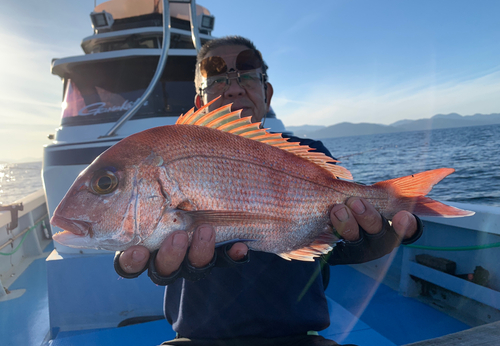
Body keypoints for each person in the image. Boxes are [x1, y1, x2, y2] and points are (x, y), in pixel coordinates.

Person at [114, 36, 423, 346]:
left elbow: (331, 246)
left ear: (267, 92)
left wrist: (373, 238)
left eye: (248, 76)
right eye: (218, 80)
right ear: (199, 102)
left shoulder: (309, 152)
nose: (234, 88)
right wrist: (141, 240)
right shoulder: (171, 154)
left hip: (299, 339)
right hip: (197, 339)